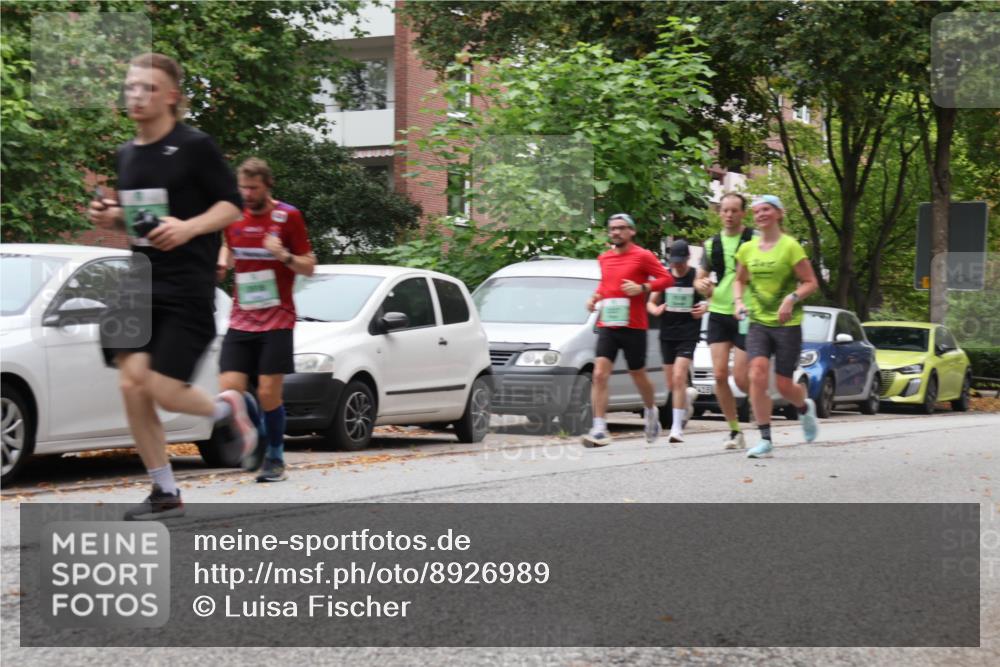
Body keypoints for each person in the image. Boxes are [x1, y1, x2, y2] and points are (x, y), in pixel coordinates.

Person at [88, 53, 258, 520]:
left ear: (172, 97)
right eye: (131, 86)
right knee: (130, 384)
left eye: (147, 87)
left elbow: (230, 207)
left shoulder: (194, 147)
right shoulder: (127, 154)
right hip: (139, 280)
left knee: (163, 389)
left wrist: (188, 228)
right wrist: (111, 216)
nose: (136, 95)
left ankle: (228, 410)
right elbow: (140, 217)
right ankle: (164, 491)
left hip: (187, 282)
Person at [217, 158, 316, 482]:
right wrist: (222, 262)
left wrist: (283, 255)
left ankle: (275, 457)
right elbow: (228, 248)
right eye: (242, 187)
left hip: (278, 317)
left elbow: (308, 266)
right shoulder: (233, 215)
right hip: (242, 316)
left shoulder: (288, 216)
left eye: (253, 188)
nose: (246, 194)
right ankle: (257, 435)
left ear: (267, 186)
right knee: (229, 389)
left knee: (269, 392)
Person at [731, 195, 820, 458]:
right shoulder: (748, 249)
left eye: (766, 209)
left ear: (779, 213)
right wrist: (738, 302)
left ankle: (804, 407)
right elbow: (739, 280)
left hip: (787, 323)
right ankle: (765, 439)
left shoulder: (790, 247)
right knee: (756, 374)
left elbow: (810, 282)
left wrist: (791, 299)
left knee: (783, 385)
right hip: (758, 321)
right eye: (757, 211)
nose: (760, 214)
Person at [583, 213, 673, 447]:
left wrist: (642, 287)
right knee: (600, 373)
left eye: (621, 228)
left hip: (634, 325)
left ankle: (651, 411)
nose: (616, 232)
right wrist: (595, 297)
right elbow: (606, 284)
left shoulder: (642, 256)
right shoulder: (604, 258)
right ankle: (600, 428)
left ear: (631, 231)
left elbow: (666, 279)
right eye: (612, 228)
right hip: (608, 324)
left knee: (637, 373)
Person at [695, 192, 756, 450]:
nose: (729, 215)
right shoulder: (711, 245)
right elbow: (699, 280)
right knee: (719, 375)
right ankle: (734, 431)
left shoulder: (755, 239)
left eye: (734, 210)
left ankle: (763, 411)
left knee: (741, 379)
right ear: (719, 214)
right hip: (719, 312)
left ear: (743, 213)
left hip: (746, 312)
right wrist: (703, 286)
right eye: (725, 210)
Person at [648, 240, 706, 443]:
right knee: (672, 384)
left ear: (688, 259)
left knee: (680, 375)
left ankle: (676, 429)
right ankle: (686, 398)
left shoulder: (695, 276)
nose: (678, 266)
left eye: (681, 262)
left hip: (688, 334)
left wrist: (705, 307)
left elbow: (711, 296)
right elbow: (651, 302)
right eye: (674, 262)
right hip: (667, 334)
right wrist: (656, 310)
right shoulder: (665, 276)